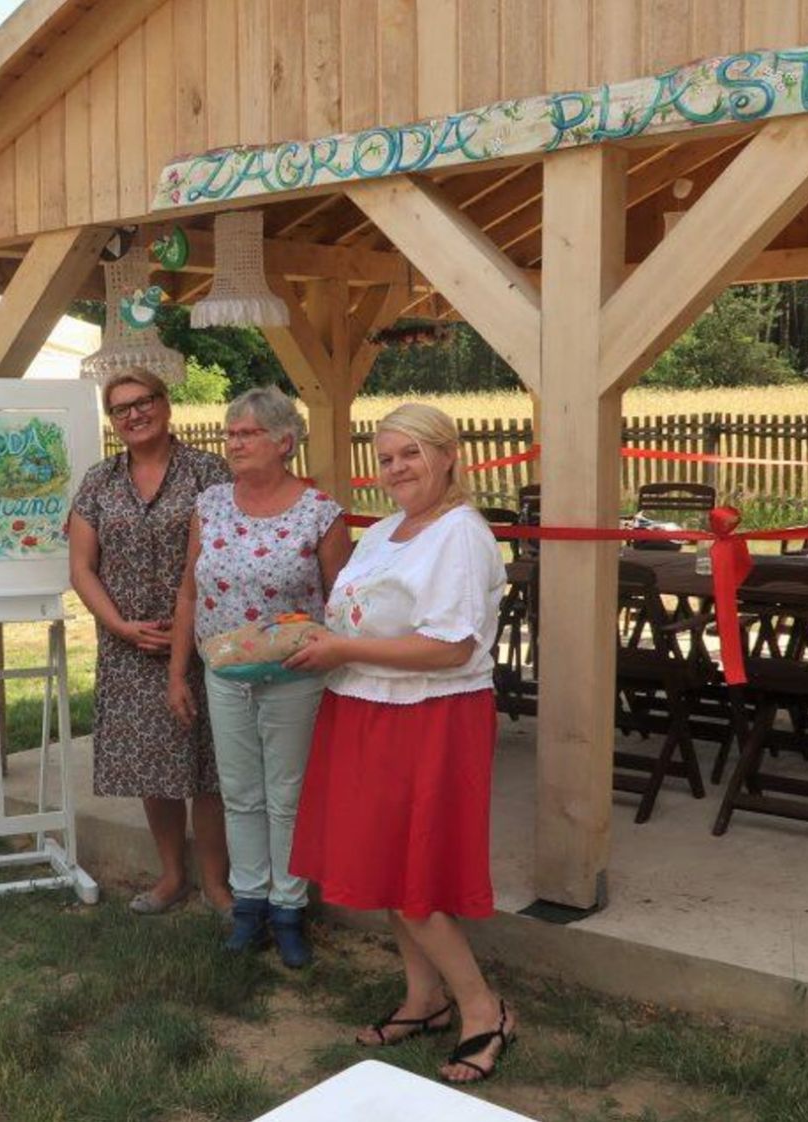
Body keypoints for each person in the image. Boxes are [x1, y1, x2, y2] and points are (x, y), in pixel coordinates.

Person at [285, 402, 515, 1083]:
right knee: (387, 867)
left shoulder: (463, 535)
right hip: (362, 707)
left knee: (419, 882)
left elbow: (451, 648)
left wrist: (342, 647)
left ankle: (484, 1009)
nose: (396, 469)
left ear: (447, 454)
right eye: (386, 458)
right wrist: (309, 637)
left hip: (430, 717)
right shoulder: (386, 529)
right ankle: (425, 999)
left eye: (410, 453)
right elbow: (360, 614)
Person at [169, 386, 351, 967]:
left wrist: (329, 654)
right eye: (231, 433)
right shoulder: (211, 504)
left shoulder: (320, 512)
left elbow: (342, 601)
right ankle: (249, 906)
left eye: (247, 433)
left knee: (288, 795)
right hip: (224, 674)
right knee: (240, 792)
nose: (234, 443)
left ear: (284, 442)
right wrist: (179, 671)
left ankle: (289, 907)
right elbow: (190, 591)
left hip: (295, 676)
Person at [69, 371, 233, 916]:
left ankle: (217, 882)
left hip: (205, 640)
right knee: (152, 766)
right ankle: (171, 877)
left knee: (208, 766)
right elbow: (82, 568)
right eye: (120, 409)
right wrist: (119, 626)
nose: (133, 415)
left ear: (165, 405)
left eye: (143, 403)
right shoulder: (98, 481)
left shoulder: (210, 473)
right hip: (128, 646)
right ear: (112, 421)